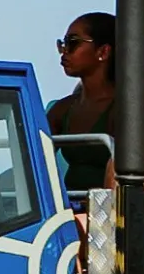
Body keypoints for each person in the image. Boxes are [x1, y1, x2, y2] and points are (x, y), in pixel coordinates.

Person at [47, 11, 117, 193]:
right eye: (62, 44)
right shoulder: (62, 109)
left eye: (73, 43)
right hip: (66, 209)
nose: (64, 51)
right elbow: (31, 160)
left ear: (103, 51)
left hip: (104, 213)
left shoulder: (124, 109)